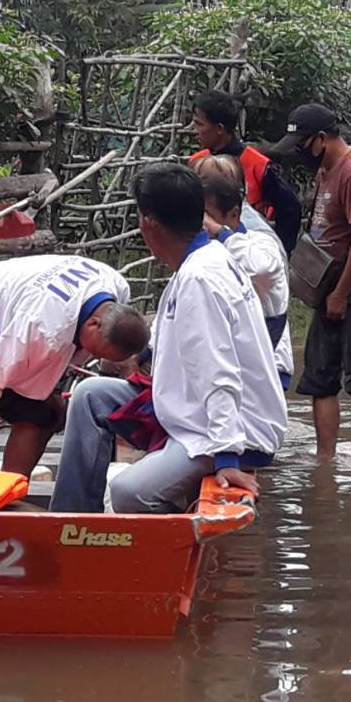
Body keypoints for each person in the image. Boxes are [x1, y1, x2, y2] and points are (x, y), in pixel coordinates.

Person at [50, 163, 286, 514]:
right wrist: (141, 357)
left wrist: (226, 457)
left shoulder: (200, 278)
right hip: (195, 410)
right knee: (89, 396)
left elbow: (218, 372)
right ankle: (72, 518)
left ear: (149, 224)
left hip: (228, 432)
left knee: (128, 491)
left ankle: (173, 537)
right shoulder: (202, 260)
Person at [0, 255, 150, 478]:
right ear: (93, 323)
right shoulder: (43, 330)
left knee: (49, 414)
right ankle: (6, 491)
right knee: (37, 416)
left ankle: (11, 487)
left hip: (0, 295)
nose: (91, 356)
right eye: (95, 351)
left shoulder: (116, 285)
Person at [271, 103, 351, 460]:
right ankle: (325, 462)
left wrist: (341, 294)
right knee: (319, 379)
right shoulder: (326, 171)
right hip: (329, 290)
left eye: (302, 145)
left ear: (321, 139)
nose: (299, 153)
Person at [195, 157, 295, 389]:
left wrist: (219, 232)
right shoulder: (200, 243)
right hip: (228, 359)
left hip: (267, 357)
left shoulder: (259, 238)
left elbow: (258, 265)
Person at [190, 88, 302, 253]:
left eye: (199, 124)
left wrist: (279, 252)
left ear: (220, 128)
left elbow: (290, 209)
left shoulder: (258, 165)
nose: (194, 131)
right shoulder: (197, 162)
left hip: (247, 253)